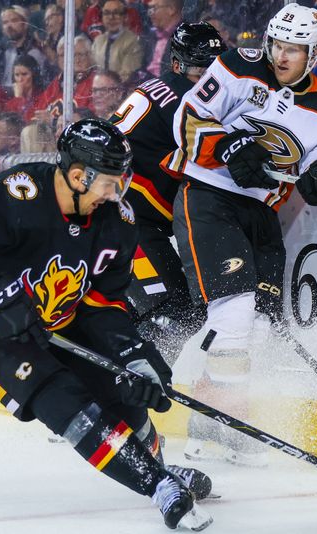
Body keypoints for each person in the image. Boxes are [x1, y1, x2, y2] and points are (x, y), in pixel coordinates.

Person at [0, 118, 213, 532]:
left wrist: (136, 356)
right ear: (78, 175)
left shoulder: (118, 222)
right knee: (64, 402)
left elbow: (104, 301)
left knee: (123, 396)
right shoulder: (17, 195)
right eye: (110, 183)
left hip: (66, 321)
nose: (117, 194)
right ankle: (157, 483)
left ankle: (159, 467)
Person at [164, 4, 317, 466]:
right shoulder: (236, 68)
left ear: (314, 53)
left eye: (295, 50)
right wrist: (227, 145)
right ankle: (217, 425)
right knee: (235, 316)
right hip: (209, 200)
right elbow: (187, 119)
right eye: (279, 46)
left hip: (262, 215)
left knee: (260, 326)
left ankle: (218, 425)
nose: (283, 57)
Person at [110, 21, 226, 363]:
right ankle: (137, 382)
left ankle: (130, 374)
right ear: (177, 65)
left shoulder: (164, 89)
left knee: (173, 309)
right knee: (174, 309)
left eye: (215, 67)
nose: (208, 77)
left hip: (131, 222)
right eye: (200, 69)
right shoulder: (187, 103)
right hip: (123, 224)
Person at [92, 0, 144, 83]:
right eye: (107, 13)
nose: (111, 17)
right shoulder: (98, 41)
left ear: (125, 17)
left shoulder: (132, 41)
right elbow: (92, 70)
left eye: (116, 13)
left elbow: (126, 76)